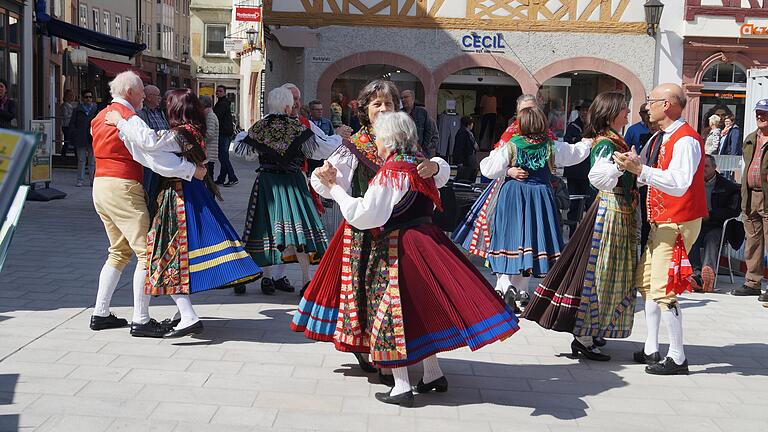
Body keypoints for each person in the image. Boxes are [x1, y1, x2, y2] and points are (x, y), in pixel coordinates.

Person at [314, 111, 519, 407]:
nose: (378, 144)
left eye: (381, 138)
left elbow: (365, 215)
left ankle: (401, 387)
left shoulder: (392, 171)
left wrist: (334, 188)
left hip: (399, 248)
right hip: (426, 241)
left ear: (390, 139)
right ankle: (433, 375)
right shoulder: (418, 165)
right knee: (417, 311)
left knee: (390, 315)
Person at [291, 80, 449, 383]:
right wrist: (328, 179)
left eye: (388, 103)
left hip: (398, 234)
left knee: (396, 298)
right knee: (365, 295)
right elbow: (322, 180)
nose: (383, 109)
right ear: (365, 110)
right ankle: (376, 356)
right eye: (377, 104)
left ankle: (393, 361)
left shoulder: (406, 143)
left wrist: (436, 168)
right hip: (362, 235)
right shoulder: (355, 147)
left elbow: (436, 170)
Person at [106, 89, 262, 337]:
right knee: (179, 255)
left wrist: (122, 122)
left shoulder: (182, 133)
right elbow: (151, 153)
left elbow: (151, 144)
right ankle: (183, 313)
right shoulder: (191, 131)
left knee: (167, 254)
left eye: (169, 104)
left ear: (176, 108)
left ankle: (187, 315)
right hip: (189, 192)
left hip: (179, 197)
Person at [89, 71, 206, 338]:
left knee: (118, 251)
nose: (145, 96)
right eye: (142, 91)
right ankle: (141, 319)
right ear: (130, 91)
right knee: (148, 254)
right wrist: (190, 169)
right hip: (123, 186)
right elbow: (148, 151)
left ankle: (101, 312)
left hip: (101, 185)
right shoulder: (127, 117)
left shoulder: (99, 116)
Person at [523, 91, 639, 361]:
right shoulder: (606, 144)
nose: (627, 113)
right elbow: (597, 177)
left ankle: (591, 330)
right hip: (610, 210)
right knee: (598, 272)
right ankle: (584, 334)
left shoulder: (615, 140)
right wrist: (623, 168)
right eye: (623, 109)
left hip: (619, 209)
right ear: (611, 113)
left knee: (605, 272)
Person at [452, 94, 591, 308]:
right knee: (530, 244)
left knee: (509, 241)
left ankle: (512, 286)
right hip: (538, 197)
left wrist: (506, 168)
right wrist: (587, 143)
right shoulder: (549, 144)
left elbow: (488, 167)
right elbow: (573, 154)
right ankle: (517, 288)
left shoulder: (513, 143)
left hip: (513, 196)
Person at [614, 83, 707, 375]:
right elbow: (654, 176)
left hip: (677, 220)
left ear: (667, 105)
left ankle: (677, 357)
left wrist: (640, 170)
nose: (646, 106)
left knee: (665, 287)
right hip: (662, 219)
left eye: (651, 101)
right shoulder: (661, 137)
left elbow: (679, 183)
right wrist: (633, 166)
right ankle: (653, 348)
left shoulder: (685, 140)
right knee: (648, 282)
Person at [239, 86, 339, 295]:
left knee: (264, 228)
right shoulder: (298, 129)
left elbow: (242, 151)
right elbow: (322, 149)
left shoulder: (260, 127)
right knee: (298, 229)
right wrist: (339, 137)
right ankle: (305, 280)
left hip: (266, 183)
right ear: (286, 106)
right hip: (293, 183)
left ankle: (266, 278)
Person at [688, 155, 741, 293]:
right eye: (701, 167)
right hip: (698, 223)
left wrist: (711, 215)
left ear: (714, 168)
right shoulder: (693, 184)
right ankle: (696, 274)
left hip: (718, 225)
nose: (703, 170)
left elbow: (733, 210)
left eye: (706, 166)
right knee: (692, 236)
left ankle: (708, 274)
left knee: (711, 239)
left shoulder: (728, 187)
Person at [732, 99, 768, 302]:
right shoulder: (751, 138)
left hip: (767, 196)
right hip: (750, 196)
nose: (760, 117)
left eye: (765, 113)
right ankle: (752, 282)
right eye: (758, 113)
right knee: (753, 241)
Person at [136, 85, 170, 215]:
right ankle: (144, 212)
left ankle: (152, 211)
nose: (160, 98)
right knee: (147, 187)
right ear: (149, 97)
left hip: (161, 157)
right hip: (148, 158)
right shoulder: (141, 113)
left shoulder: (160, 112)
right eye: (157, 95)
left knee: (157, 187)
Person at [563, 99, 595, 223]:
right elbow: (568, 144)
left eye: (587, 110)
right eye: (582, 110)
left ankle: (586, 236)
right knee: (574, 205)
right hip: (574, 173)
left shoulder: (595, 128)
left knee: (590, 205)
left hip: (589, 174)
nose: (584, 113)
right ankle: (572, 236)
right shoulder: (573, 126)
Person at [69, 90, 98, 187]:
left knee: (92, 161)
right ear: (82, 98)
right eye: (86, 97)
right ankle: (80, 180)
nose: (88, 99)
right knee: (81, 160)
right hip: (80, 138)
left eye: (90, 97)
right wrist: (75, 134)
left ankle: (92, 181)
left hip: (92, 138)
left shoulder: (95, 109)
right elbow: (72, 124)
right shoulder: (77, 110)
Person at [214, 85, 239, 186]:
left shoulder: (223, 104)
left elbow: (217, 116)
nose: (218, 93)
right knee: (224, 156)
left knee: (223, 156)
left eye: (220, 91)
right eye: (217, 91)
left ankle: (232, 177)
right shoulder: (221, 103)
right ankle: (221, 178)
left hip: (224, 133)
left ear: (224, 92)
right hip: (226, 133)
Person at [401, 90, 437, 157]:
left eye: (406, 97)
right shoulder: (399, 114)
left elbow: (428, 131)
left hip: (420, 151)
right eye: (402, 98)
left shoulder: (422, 112)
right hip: (403, 151)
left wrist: (423, 147)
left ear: (413, 98)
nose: (403, 100)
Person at [452, 116, 478, 182]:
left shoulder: (469, 133)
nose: (473, 125)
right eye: (472, 123)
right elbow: (459, 148)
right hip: (465, 160)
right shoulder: (462, 133)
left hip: (470, 158)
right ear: (468, 124)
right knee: (464, 179)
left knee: (469, 176)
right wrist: (460, 161)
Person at [200, 95, 219, 179]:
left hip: (209, 152)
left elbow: (210, 134)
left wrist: (199, 139)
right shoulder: (208, 115)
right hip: (209, 152)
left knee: (209, 178)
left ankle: (211, 192)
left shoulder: (210, 116)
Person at [59, 89, 76, 157]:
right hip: (66, 126)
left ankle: (75, 155)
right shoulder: (64, 105)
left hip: (71, 125)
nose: (73, 97)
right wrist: (73, 114)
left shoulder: (71, 105)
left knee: (73, 140)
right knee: (67, 141)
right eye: (71, 95)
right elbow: (65, 116)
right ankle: (63, 156)